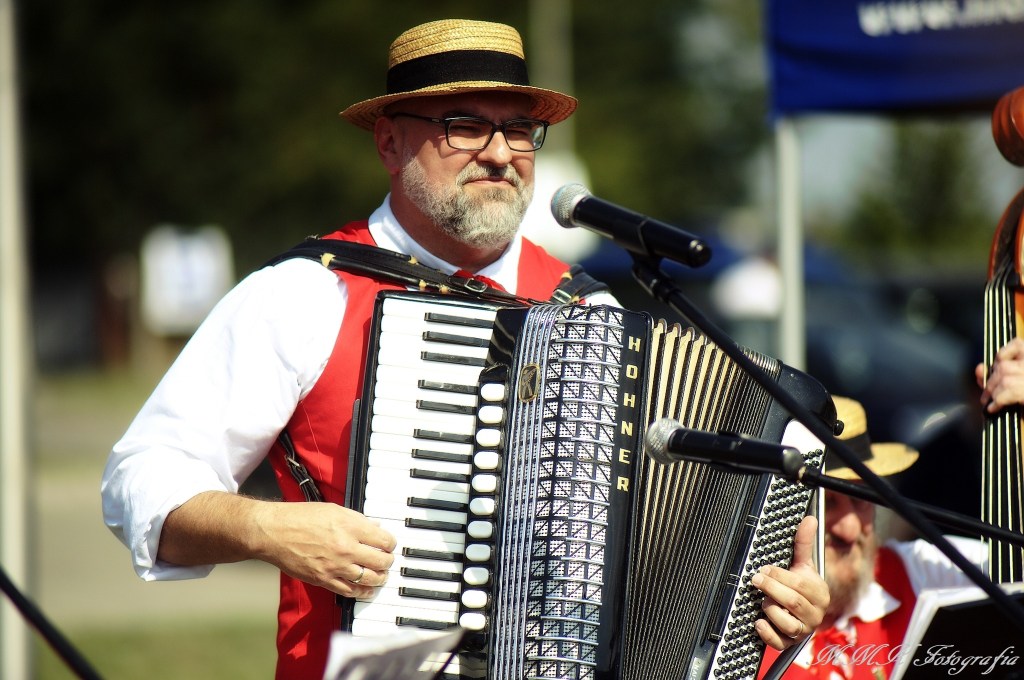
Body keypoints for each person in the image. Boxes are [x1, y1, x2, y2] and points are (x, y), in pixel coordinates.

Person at [101, 18, 828, 678]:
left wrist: (765, 599)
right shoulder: (303, 293)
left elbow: (661, 550)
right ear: (390, 143)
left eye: (520, 131)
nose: (500, 154)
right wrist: (267, 528)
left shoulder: (589, 312)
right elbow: (142, 481)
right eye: (464, 126)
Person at [759, 396, 987, 680]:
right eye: (828, 503)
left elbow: (1013, 571)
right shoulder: (744, 621)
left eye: (861, 498)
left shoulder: (917, 572)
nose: (850, 529)